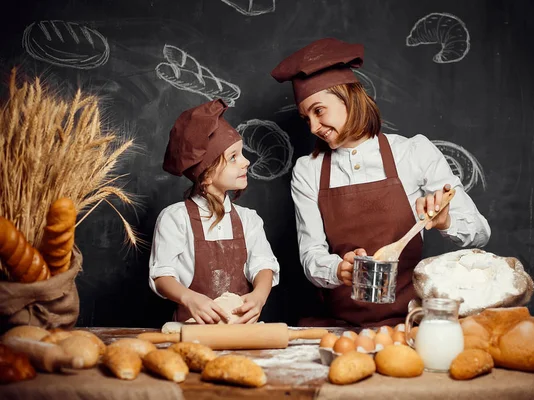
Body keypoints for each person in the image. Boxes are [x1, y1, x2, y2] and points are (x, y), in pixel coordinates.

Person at [271, 38, 491, 327]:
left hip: (410, 322)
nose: (313, 127)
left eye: (319, 111)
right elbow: (311, 255)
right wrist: (340, 269)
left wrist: (445, 221)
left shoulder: (412, 152)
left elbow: (480, 232)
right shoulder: (308, 170)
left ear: (348, 96)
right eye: (305, 118)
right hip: (336, 324)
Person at [149, 99, 280, 324]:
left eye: (242, 153)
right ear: (207, 175)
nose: (246, 161)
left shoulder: (249, 219)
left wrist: (259, 297)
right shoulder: (175, 218)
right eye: (233, 157)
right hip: (191, 330)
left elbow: (263, 265)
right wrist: (189, 298)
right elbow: (162, 275)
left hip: (241, 332)